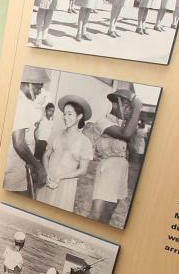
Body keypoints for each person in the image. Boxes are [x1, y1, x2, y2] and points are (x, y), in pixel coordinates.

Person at [89, 88, 142, 224]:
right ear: (114, 104)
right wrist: (137, 108)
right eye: (125, 106)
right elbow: (124, 135)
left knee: (109, 211)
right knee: (97, 213)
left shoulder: (126, 125)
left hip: (121, 168)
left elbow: (134, 152)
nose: (128, 110)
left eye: (131, 107)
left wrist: (131, 123)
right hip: (108, 168)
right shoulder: (103, 121)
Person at [37, 95, 93, 212]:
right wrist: (47, 173)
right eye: (64, 114)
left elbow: (83, 170)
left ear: (79, 116)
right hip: (48, 180)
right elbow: (46, 155)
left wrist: (60, 178)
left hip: (65, 185)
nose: (65, 117)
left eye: (69, 114)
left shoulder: (85, 142)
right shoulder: (56, 134)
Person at [4, 66, 49, 197]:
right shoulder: (20, 103)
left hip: (16, 164)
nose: (39, 92)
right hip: (13, 165)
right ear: (28, 84)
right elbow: (19, 142)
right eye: (38, 88)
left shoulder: (21, 101)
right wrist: (38, 167)